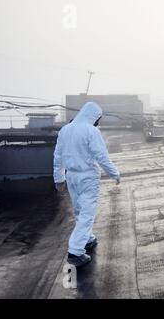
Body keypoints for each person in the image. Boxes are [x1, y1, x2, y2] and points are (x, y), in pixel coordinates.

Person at [53, 102, 120, 267]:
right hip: (87, 177)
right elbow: (101, 156)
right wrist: (114, 173)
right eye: (98, 118)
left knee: (78, 210)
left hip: (71, 177)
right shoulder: (91, 131)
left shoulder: (65, 129)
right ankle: (75, 252)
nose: (98, 122)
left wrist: (58, 178)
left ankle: (87, 238)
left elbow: (58, 155)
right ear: (94, 116)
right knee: (87, 214)